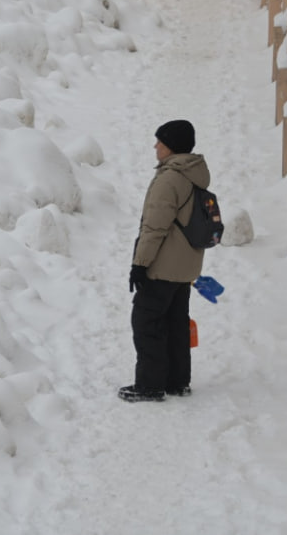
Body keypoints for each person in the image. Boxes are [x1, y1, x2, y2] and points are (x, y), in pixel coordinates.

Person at [119, 119, 210, 403]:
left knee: (146, 322)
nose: (155, 146)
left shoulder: (170, 179)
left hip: (163, 266)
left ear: (172, 146)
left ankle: (150, 385)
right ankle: (177, 381)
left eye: (160, 141)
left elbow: (154, 227)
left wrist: (140, 264)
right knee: (176, 323)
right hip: (185, 266)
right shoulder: (194, 174)